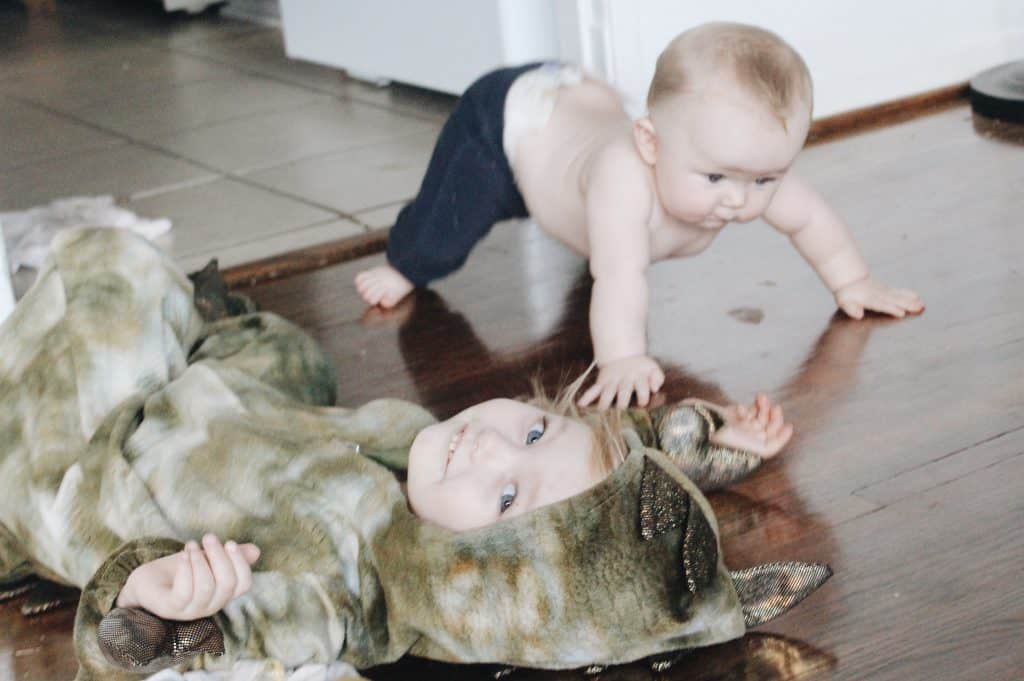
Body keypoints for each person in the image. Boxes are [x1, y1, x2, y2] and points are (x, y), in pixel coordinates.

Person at [0, 229, 824, 681]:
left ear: (474, 580)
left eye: (505, 498)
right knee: (293, 358)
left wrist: (149, 608)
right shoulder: (431, 470)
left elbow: (216, 635)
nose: (493, 444)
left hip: (103, 456)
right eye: (534, 430)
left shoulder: (349, 591)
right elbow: (607, 453)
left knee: (111, 265)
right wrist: (700, 438)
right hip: (241, 410)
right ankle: (191, 338)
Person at [354, 22, 924, 410]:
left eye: (764, 180)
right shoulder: (623, 177)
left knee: (613, 236)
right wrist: (622, 357)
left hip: (579, 98)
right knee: (443, 233)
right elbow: (622, 278)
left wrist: (854, 280)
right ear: (650, 144)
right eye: (717, 178)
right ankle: (404, 263)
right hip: (510, 128)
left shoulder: (730, 161)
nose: (739, 201)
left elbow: (811, 218)